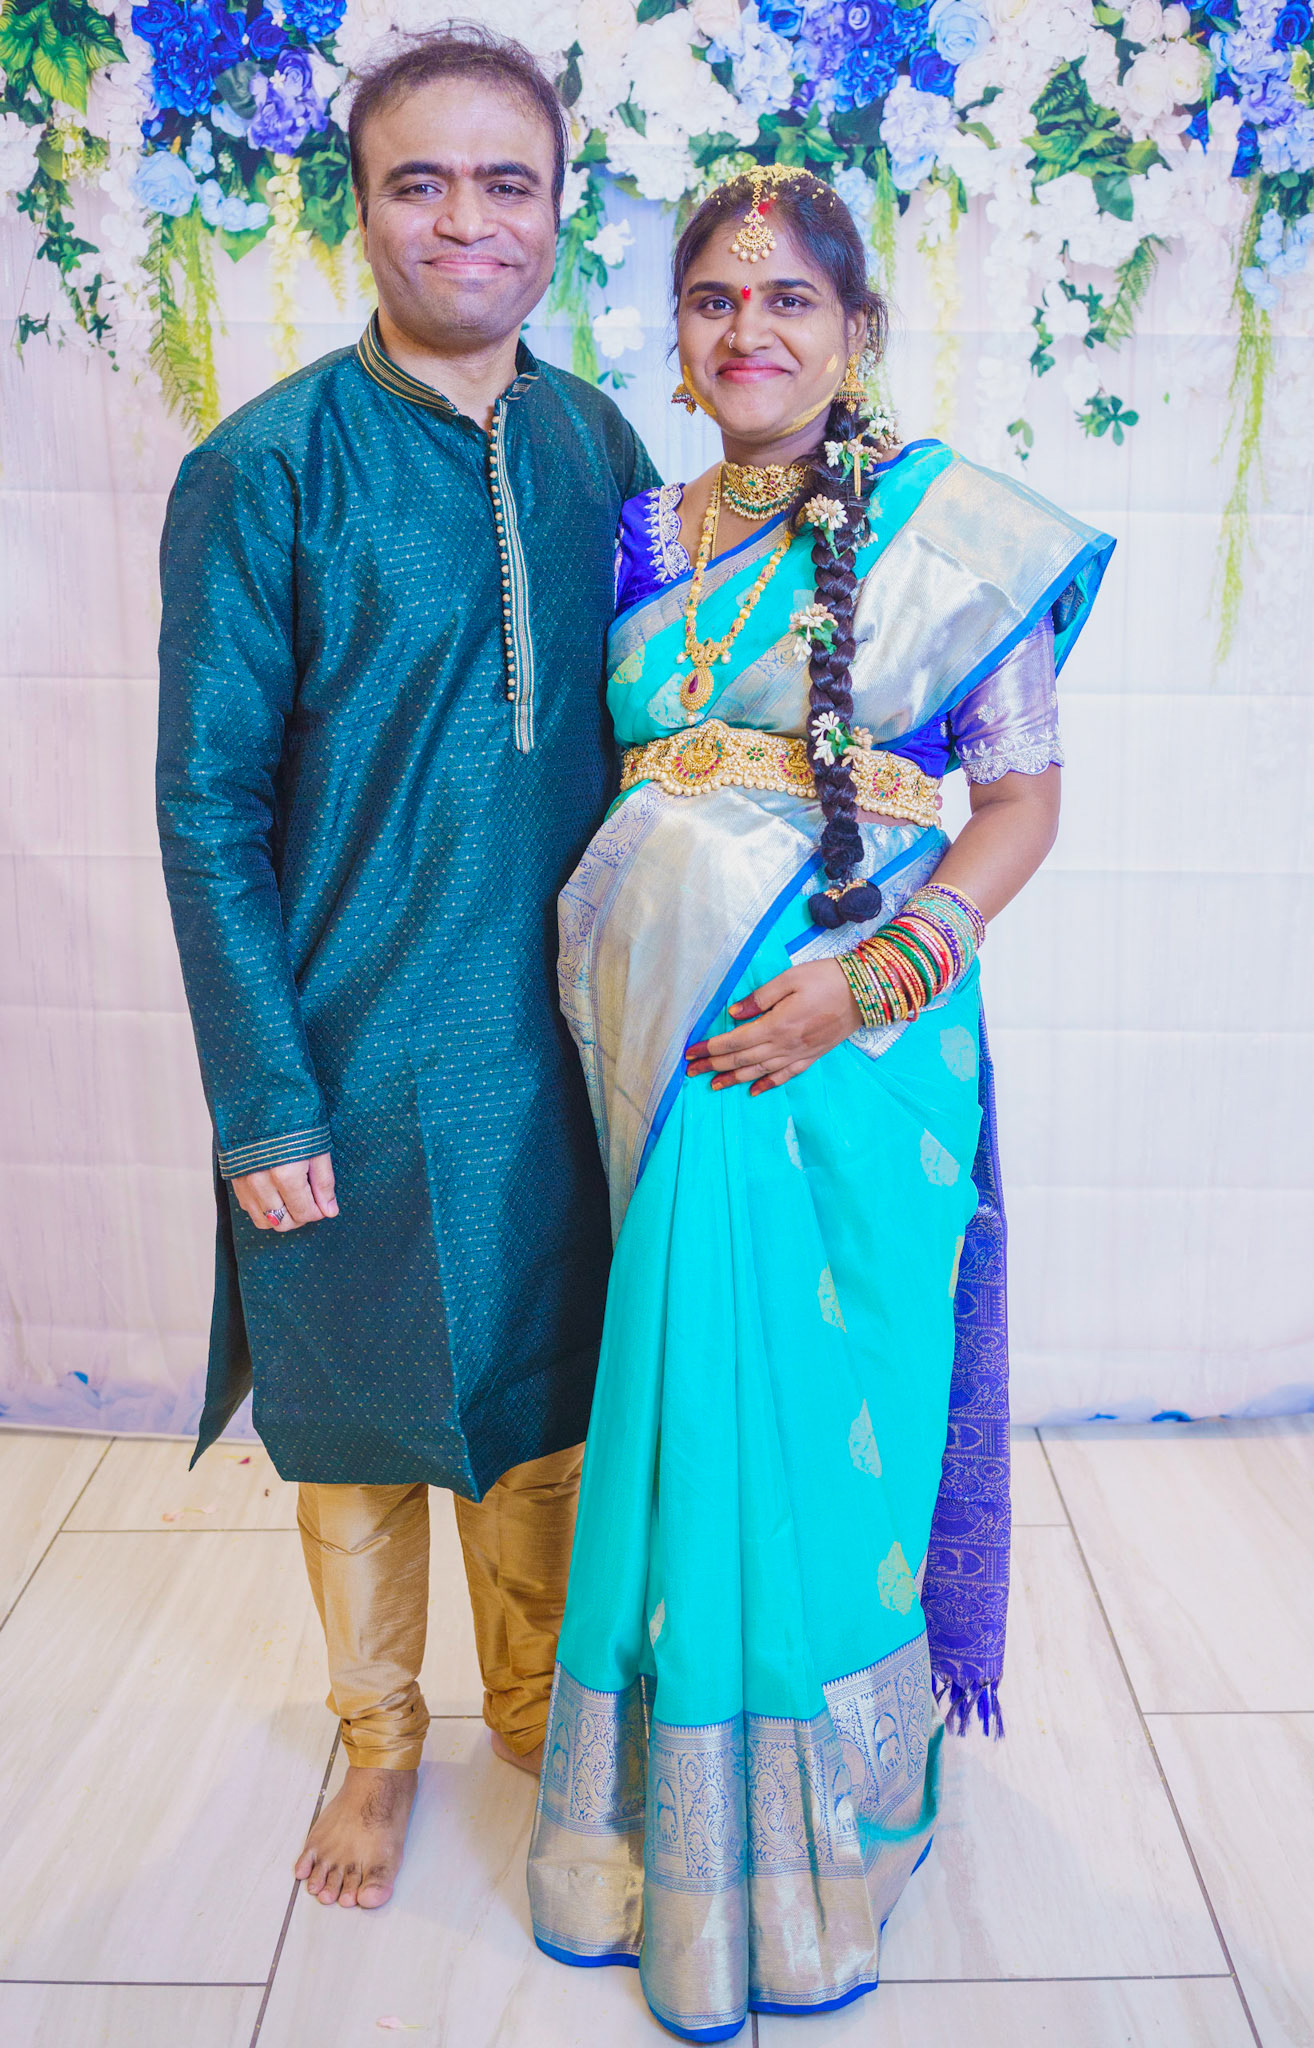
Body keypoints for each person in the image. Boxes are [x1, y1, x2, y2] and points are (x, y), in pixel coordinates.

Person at [527, 167, 1114, 2040]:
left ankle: (820, 1840)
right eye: (713, 299)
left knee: (806, 1417)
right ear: (676, 338)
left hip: (842, 1047)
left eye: (789, 298)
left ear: (856, 332)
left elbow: (1018, 804)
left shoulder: (950, 534)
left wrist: (875, 977)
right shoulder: (636, 530)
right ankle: (671, 1826)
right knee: (681, 1400)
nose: (748, 330)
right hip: (657, 1031)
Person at [155, 26, 656, 1912]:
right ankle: (378, 1743)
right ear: (356, 210)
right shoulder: (265, 468)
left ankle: (532, 1714)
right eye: (417, 182)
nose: (465, 220)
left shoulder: (599, 448)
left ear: (558, 211)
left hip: (552, 1042)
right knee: (357, 1415)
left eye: (504, 182)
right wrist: (260, 1094)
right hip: (347, 1041)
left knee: (544, 1399)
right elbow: (205, 805)